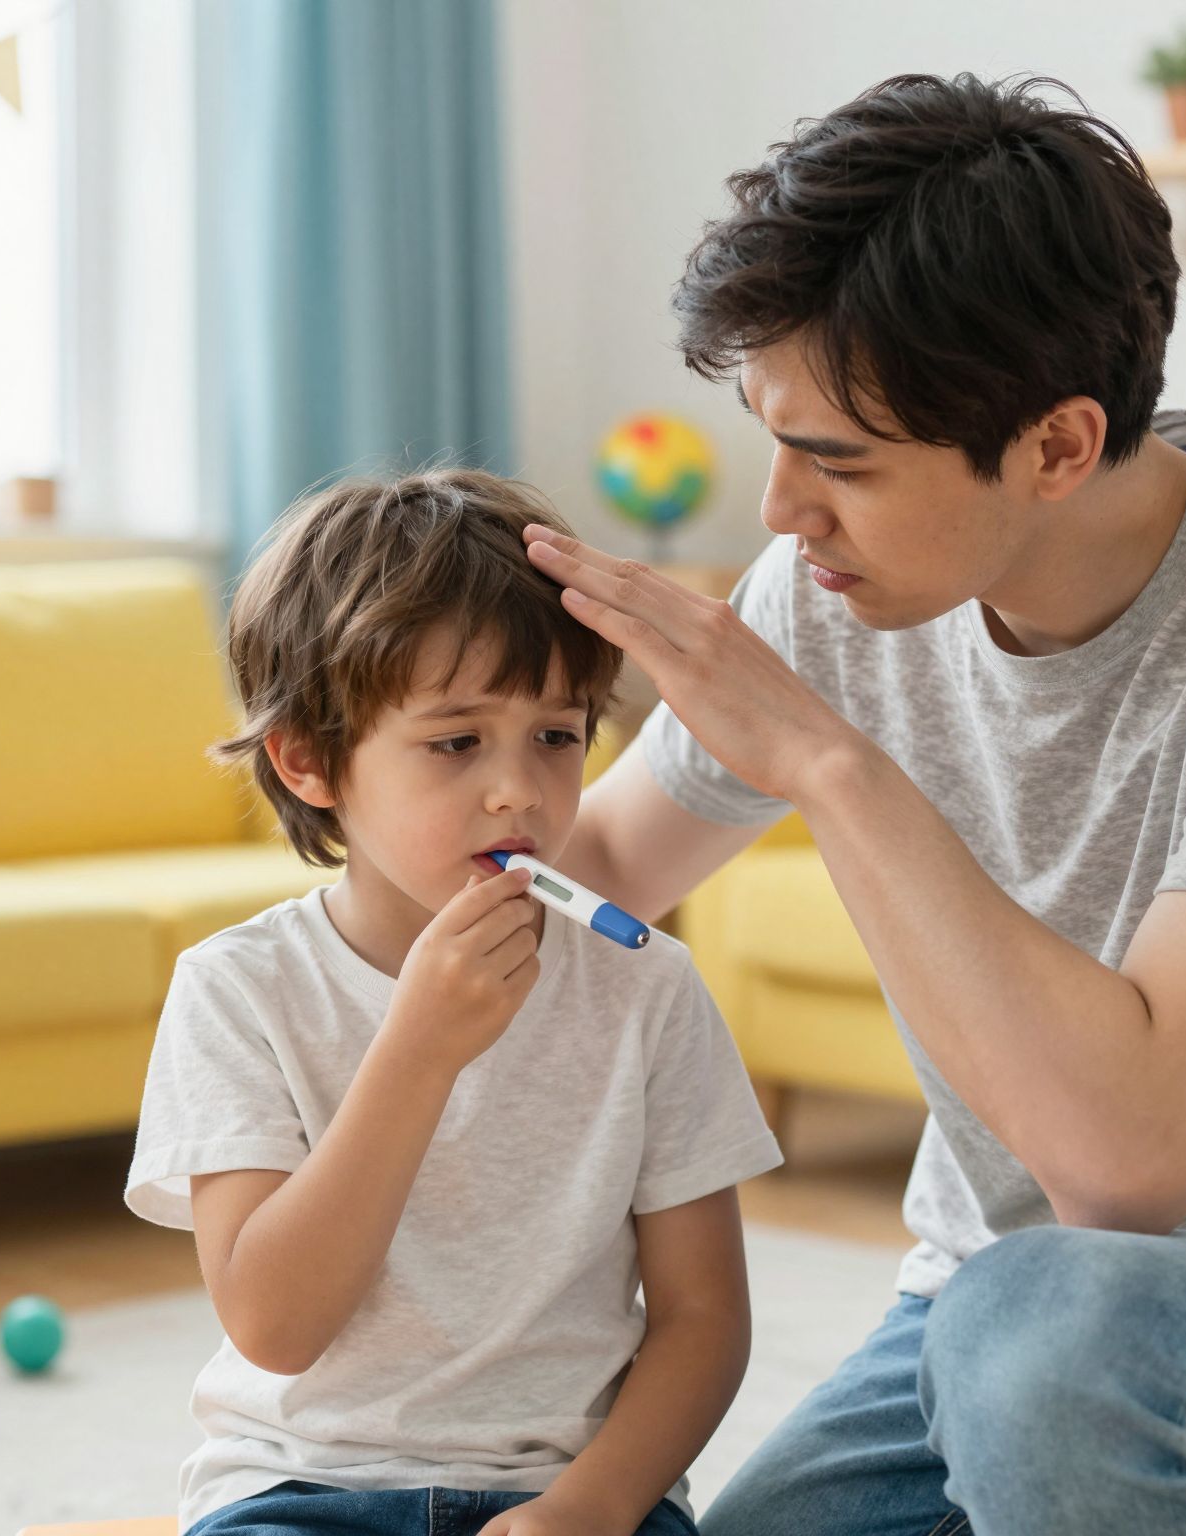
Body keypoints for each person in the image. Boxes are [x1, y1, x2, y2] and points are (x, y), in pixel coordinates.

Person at [533, 74, 1186, 1534]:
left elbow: (1126, 1165)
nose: (780, 512)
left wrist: (832, 768)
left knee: (1054, 1337)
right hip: (986, 1326)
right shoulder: (830, 589)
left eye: (837, 461)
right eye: (774, 442)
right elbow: (589, 880)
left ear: (1056, 446)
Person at [123, 469, 781, 1536]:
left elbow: (704, 1319)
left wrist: (594, 1505)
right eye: (455, 741)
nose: (518, 788)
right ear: (308, 762)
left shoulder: (645, 986)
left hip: (575, 1490)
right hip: (306, 1488)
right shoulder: (238, 991)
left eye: (557, 735)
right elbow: (274, 1325)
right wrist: (417, 1050)